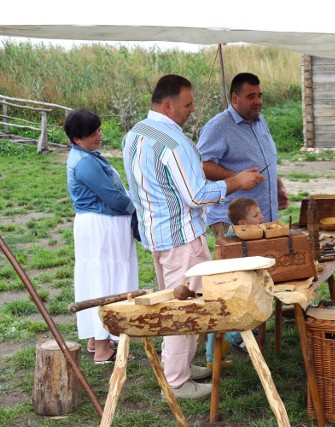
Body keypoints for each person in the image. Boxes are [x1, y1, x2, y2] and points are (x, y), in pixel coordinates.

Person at [122, 74, 263, 400]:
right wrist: (236, 181)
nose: (191, 110)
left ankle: (181, 369)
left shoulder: (136, 133)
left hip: (157, 234)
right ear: (168, 105)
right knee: (181, 310)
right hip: (182, 238)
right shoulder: (174, 142)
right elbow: (197, 195)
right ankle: (175, 382)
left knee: (176, 301)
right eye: (187, 105)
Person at [64, 109, 138, 364]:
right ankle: (104, 346)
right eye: (92, 133)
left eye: (98, 130)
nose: (99, 136)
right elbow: (113, 197)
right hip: (101, 226)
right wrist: (138, 208)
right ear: (76, 138)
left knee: (100, 279)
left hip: (101, 225)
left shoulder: (86, 155)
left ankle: (96, 339)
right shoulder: (84, 162)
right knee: (106, 282)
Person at [197, 72, 289, 240]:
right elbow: (201, 165)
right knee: (239, 267)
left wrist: (278, 186)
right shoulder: (219, 126)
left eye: (260, 96)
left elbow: (265, 159)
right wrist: (237, 179)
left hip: (263, 218)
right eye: (251, 96)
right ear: (235, 98)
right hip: (234, 223)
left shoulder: (260, 121)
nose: (258, 101)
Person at [205, 197, 263, 364]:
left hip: (238, 285)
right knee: (224, 321)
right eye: (256, 215)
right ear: (242, 223)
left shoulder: (242, 233)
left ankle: (213, 358)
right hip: (229, 287)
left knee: (219, 324)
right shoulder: (233, 241)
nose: (261, 217)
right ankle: (231, 339)